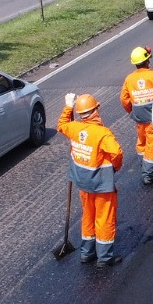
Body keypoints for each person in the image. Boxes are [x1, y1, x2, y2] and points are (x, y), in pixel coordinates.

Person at [57, 93, 125, 266]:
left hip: (82, 182)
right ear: (95, 111)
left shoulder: (74, 128)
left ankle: (86, 253)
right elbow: (116, 153)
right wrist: (115, 167)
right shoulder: (102, 133)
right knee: (104, 218)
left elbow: (62, 125)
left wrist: (68, 106)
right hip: (101, 185)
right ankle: (104, 258)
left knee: (88, 216)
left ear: (80, 113)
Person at [121, 46, 153, 186]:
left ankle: (143, 164)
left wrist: (131, 112)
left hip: (139, 116)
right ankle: (148, 174)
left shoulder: (129, 79)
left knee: (142, 140)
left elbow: (124, 99)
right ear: (147, 61)